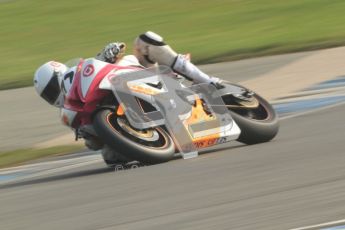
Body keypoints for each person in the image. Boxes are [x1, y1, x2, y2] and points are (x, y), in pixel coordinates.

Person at [33, 31, 223, 163]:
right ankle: (159, 139)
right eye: (48, 95)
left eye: (51, 88)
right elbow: (93, 144)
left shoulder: (88, 71)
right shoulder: (69, 114)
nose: (53, 95)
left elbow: (109, 59)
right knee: (111, 158)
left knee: (146, 40)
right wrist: (89, 134)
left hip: (144, 76)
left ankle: (208, 80)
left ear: (62, 75)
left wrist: (110, 52)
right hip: (136, 125)